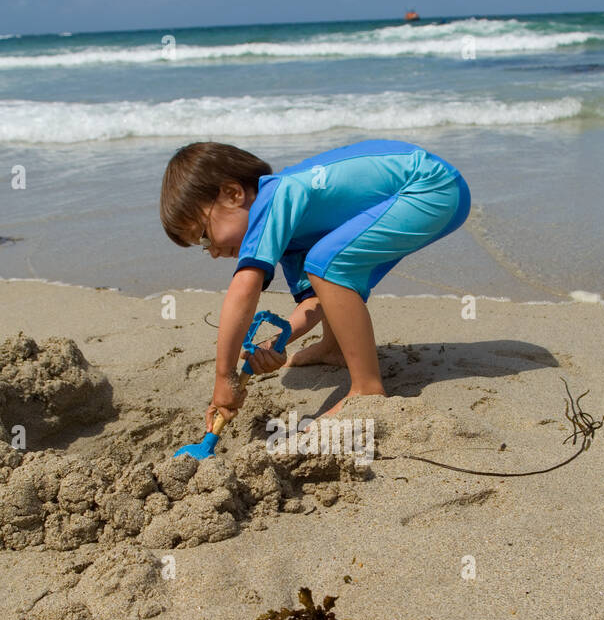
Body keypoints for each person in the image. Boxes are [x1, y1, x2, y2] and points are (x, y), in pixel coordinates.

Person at [159, 138, 470, 419]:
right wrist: (274, 343)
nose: (211, 251)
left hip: (431, 186)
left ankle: (367, 389)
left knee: (328, 263)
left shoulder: (276, 197)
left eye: (203, 236)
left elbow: (244, 287)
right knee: (325, 266)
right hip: (434, 188)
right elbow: (316, 300)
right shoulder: (291, 232)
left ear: (232, 194)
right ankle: (333, 348)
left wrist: (223, 375)